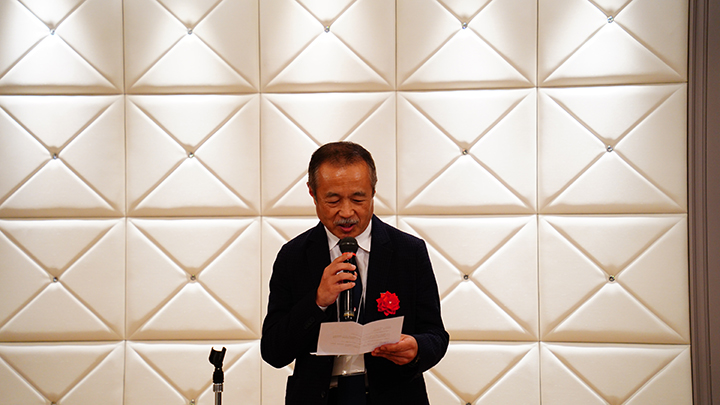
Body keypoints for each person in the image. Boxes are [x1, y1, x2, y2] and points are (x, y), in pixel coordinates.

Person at [261, 142, 449, 405]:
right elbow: (273, 351)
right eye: (333, 200)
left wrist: (417, 348)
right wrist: (317, 301)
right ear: (313, 193)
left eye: (358, 199)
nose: (347, 212)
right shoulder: (293, 257)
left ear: (373, 191)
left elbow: (436, 336)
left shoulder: (409, 252)